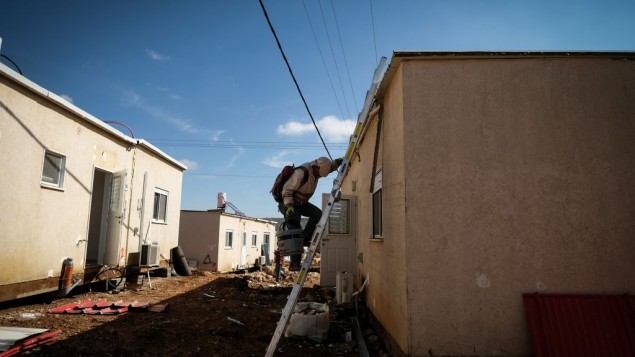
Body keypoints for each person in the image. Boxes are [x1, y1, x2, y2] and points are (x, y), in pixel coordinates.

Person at [278, 156, 343, 270]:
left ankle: (304, 239)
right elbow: (287, 189)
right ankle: (294, 264)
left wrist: (339, 162)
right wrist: (289, 205)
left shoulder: (317, 170)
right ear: (316, 167)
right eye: (319, 172)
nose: (319, 175)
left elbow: (329, 167)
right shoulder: (301, 172)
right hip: (290, 203)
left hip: (301, 203)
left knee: (317, 214)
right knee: (295, 229)